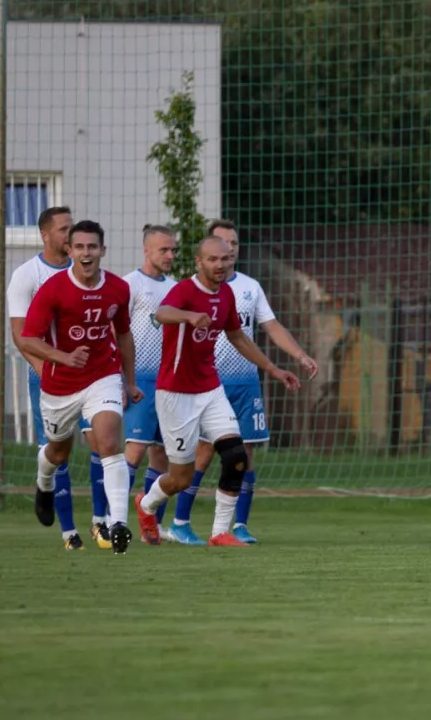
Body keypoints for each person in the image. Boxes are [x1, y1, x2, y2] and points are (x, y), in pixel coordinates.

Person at [135, 237, 300, 547]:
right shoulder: (185, 290)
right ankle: (146, 505)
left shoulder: (226, 294)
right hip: (175, 394)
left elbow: (237, 336)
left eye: (226, 258)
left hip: (210, 389)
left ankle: (220, 532)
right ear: (199, 262)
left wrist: (273, 369)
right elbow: (162, 313)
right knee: (181, 478)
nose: (221, 265)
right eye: (213, 259)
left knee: (236, 455)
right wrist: (188, 316)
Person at [169, 220, 318, 545]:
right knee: (204, 452)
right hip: (211, 383)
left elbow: (271, 325)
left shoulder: (250, 287)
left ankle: (238, 526)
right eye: (222, 244)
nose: (229, 250)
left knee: (244, 452)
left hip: (246, 383)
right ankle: (180, 522)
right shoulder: (195, 289)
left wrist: (299, 355)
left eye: (233, 244)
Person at [18, 220, 137, 554]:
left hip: (103, 375)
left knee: (109, 442)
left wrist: (129, 381)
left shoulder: (117, 288)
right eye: (80, 247)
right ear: (69, 251)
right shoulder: (54, 289)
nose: (87, 253)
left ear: (103, 250)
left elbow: (124, 334)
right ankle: (43, 481)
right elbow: (28, 339)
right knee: (59, 452)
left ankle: (118, 525)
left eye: (92, 246)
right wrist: (64, 357)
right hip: (60, 385)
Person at [6, 206, 106, 550]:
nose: (70, 234)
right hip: (50, 377)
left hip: (93, 376)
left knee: (102, 441)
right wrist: (45, 371)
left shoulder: (89, 272)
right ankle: (68, 533)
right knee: (58, 451)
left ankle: (101, 523)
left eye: (71, 228)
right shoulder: (27, 275)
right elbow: (21, 334)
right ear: (45, 235)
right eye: (63, 229)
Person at [124, 225, 179, 544]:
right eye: (164, 250)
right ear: (146, 250)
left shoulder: (175, 289)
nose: (170, 255)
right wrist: (123, 379)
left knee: (163, 456)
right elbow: (117, 333)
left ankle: (151, 527)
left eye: (173, 250)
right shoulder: (130, 284)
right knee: (134, 449)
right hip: (139, 380)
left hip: (168, 382)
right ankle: (112, 522)